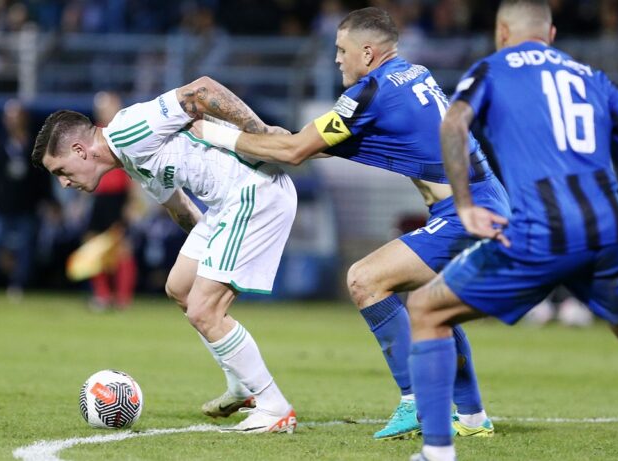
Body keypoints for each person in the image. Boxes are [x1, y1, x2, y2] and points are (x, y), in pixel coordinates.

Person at [193, 7, 508, 440]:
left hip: (466, 213)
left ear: (368, 52)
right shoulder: (410, 74)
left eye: (342, 50)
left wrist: (214, 135)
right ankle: (472, 418)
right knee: (434, 308)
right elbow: (306, 143)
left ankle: (416, 399)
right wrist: (269, 136)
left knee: (365, 279)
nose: (336, 58)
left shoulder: (371, 91)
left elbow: (296, 152)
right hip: (482, 203)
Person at [406, 1, 618, 460]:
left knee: (426, 309)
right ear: (551, 34)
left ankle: (437, 452)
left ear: (502, 31)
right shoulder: (592, 77)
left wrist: (465, 205)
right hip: (609, 228)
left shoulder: (494, 68)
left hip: (543, 231)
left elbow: (453, 123)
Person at [31, 76, 298, 433]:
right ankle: (242, 384)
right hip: (225, 206)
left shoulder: (129, 130)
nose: (64, 182)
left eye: (61, 171)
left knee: (204, 309)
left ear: (80, 151)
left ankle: (274, 407)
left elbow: (202, 90)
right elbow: (180, 208)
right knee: (181, 288)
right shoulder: (129, 159)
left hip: (255, 192)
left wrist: (260, 133)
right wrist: (214, 257)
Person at [0, 99, 56, 300]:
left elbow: (43, 177)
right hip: (4, 206)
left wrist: (50, 201)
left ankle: (19, 285)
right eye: (9, 117)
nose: (13, 122)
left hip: (28, 206)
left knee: (27, 248)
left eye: (17, 117)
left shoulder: (35, 145)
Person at [85, 91, 138, 310]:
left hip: (117, 196)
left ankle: (123, 298)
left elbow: (134, 170)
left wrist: (132, 202)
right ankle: (103, 295)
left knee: (121, 248)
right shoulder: (92, 134)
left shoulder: (124, 131)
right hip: (99, 197)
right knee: (93, 246)